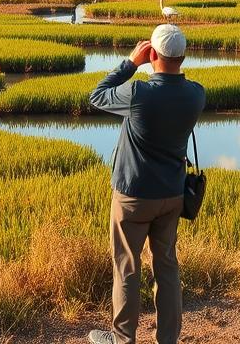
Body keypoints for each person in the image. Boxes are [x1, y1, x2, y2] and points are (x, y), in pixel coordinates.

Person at [87, 24, 206, 344]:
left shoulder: (138, 93)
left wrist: (129, 63)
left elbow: (97, 95)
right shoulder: (196, 94)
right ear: (183, 56)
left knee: (127, 267)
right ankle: (168, 339)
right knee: (166, 268)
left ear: (152, 53)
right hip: (172, 196)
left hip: (133, 196)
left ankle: (122, 339)